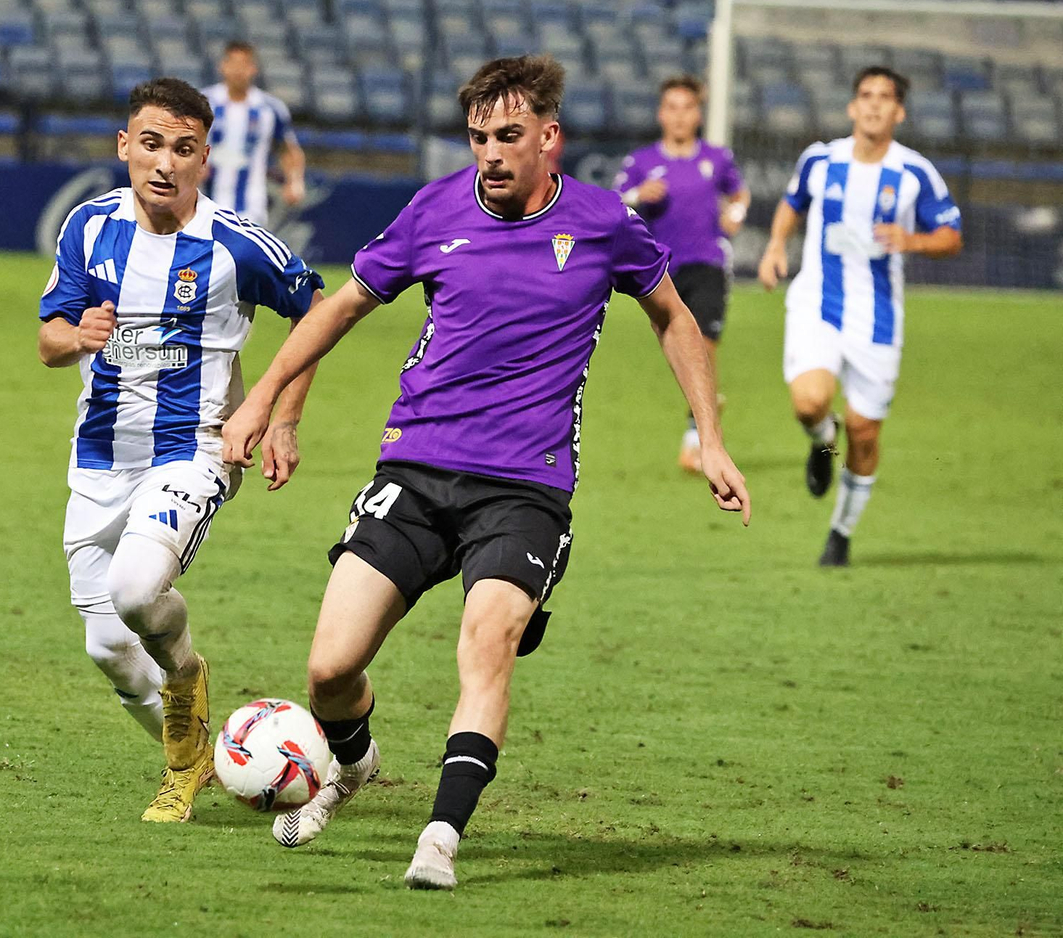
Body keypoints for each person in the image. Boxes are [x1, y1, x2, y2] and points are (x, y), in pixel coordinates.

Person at [221, 55, 750, 890]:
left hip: (526, 487)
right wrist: (265, 406)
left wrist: (710, 436)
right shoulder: (434, 210)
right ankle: (354, 767)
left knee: (488, 641)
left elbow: (673, 316)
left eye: (508, 136)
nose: (491, 154)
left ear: (550, 138)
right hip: (417, 468)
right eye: (478, 138)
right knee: (329, 668)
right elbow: (341, 307)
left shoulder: (602, 221)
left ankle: (440, 836)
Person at [37, 78, 325, 823]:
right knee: (106, 646)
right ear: (125, 146)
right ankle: (194, 751)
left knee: (137, 590)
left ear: (204, 157)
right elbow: (48, 340)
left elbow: (316, 309)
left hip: (193, 448)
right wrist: (79, 338)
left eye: (184, 148)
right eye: (152, 143)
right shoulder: (89, 226)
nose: (165, 163)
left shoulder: (235, 243)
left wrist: (281, 415)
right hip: (100, 456)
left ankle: (187, 679)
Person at [757, 67, 962, 567]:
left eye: (885, 98)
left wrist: (912, 239)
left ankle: (841, 533)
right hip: (818, 304)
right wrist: (776, 245)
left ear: (899, 112)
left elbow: (952, 236)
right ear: (852, 107)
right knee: (809, 404)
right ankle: (823, 441)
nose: (873, 105)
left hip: (878, 319)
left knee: (865, 431)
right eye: (865, 96)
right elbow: (791, 203)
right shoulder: (821, 159)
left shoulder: (915, 173)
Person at [614, 75, 751, 472]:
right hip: (660, 269)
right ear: (661, 114)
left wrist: (736, 213)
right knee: (678, 349)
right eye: (671, 107)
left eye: (686, 107)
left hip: (707, 262)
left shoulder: (717, 158)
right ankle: (703, 407)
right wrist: (640, 196)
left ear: (698, 114)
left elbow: (739, 193)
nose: (679, 116)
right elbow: (614, 201)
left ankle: (695, 437)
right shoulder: (641, 162)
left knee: (705, 344)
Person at [200, 41, 307, 230]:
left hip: (251, 202)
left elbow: (288, 150)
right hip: (204, 198)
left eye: (244, 65)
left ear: (253, 69)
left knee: (243, 256)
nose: (238, 70)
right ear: (222, 66)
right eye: (233, 63)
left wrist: (294, 181)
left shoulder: (270, 108)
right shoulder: (204, 102)